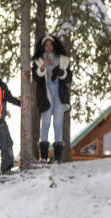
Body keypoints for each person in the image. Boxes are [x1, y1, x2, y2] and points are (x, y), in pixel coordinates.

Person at [32, 35, 72, 163]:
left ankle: (58, 158)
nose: (49, 47)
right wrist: (43, 66)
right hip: (46, 93)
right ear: (43, 47)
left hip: (59, 93)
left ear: (54, 46)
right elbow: (36, 78)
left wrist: (61, 73)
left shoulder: (63, 60)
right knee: (46, 122)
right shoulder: (38, 61)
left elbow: (69, 78)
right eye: (46, 45)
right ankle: (43, 157)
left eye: (51, 45)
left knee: (58, 123)